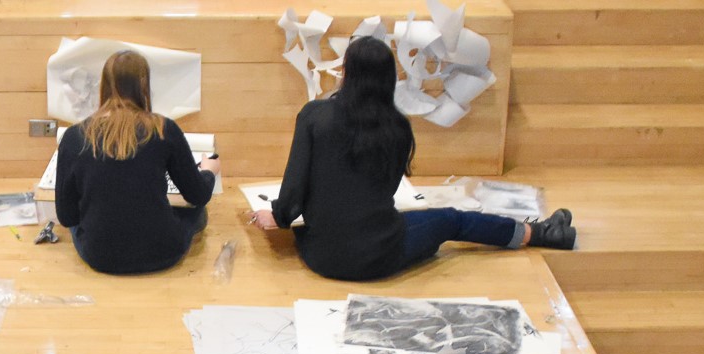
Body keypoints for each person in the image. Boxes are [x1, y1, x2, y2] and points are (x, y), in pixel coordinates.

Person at [251, 36, 576, 281]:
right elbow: (386, 190)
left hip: (320, 255)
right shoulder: (397, 126)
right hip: (380, 253)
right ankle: (542, 234)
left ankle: (544, 232)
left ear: (346, 71)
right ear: (388, 78)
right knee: (453, 219)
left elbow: (294, 186)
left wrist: (278, 217)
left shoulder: (313, 115)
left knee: (425, 220)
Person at [54, 51, 220, 275]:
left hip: (99, 255)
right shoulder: (164, 129)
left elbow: (67, 217)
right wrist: (208, 172)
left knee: (82, 222)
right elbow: (198, 196)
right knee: (198, 214)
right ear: (144, 85)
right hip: (163, 251)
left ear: (103, 85)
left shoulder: (74, 136)